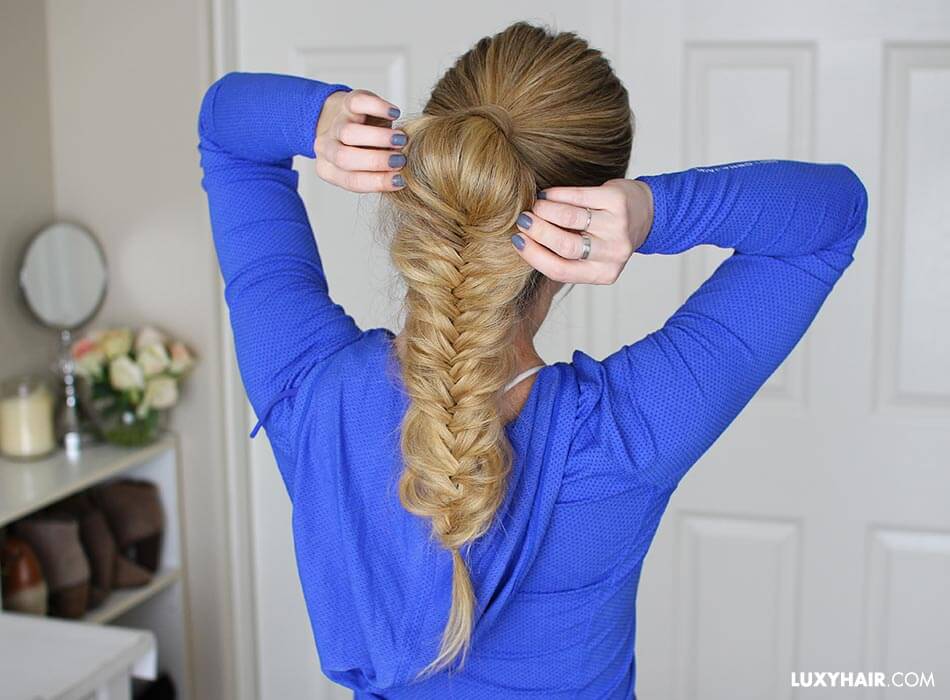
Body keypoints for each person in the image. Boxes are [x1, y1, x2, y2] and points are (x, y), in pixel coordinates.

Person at [197, 20, 868, 700]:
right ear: (587, 213)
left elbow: (225, 128)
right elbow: (831, 216)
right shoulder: (621, 436)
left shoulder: (310, 395)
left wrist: (318, 118)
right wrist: (657, 212)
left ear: (432, 176)